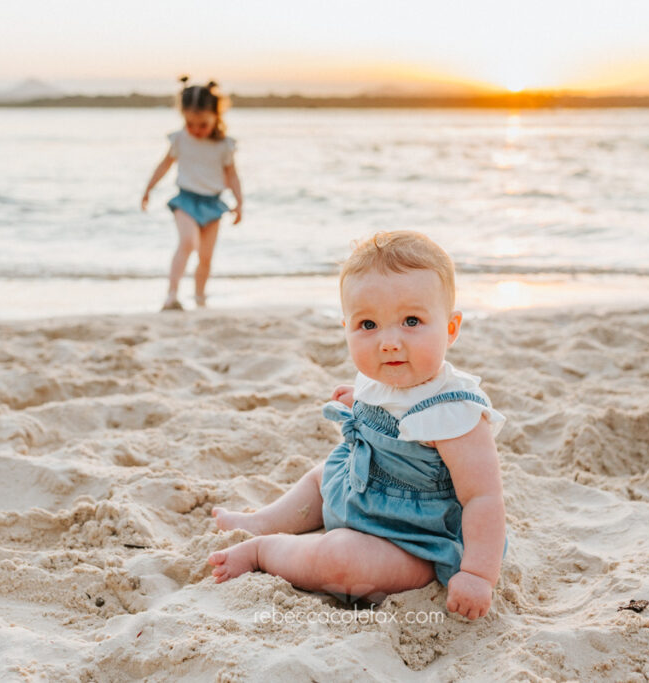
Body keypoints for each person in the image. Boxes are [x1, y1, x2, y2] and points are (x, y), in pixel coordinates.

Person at [208, 231, 507, 620]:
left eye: (411, 321)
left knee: (341, 558)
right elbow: (391, 405)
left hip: (411, 541)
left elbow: (483, 498)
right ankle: (261, 522)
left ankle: (263, 550)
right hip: (356, 489)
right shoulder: (385, 375)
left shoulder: (455, 414)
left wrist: (477, 575)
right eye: (368, 325)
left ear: (450, 329)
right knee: (318, 478)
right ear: (346, 326)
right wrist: (358, 398)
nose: (388, 342)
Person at [141, 76, 243, 311]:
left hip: (213, 203)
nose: (196, 130)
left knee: (206, 257)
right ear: (183, 116)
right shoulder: (180, 139)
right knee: (187, 243)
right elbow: (164, 164)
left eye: (203, 125)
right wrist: (149, 188)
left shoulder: (224, 145)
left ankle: (200, 297)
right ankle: (172, 295)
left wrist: (239, 203)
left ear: (216, 116)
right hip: (186, 200)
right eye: (191, 124)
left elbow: (233, 176)